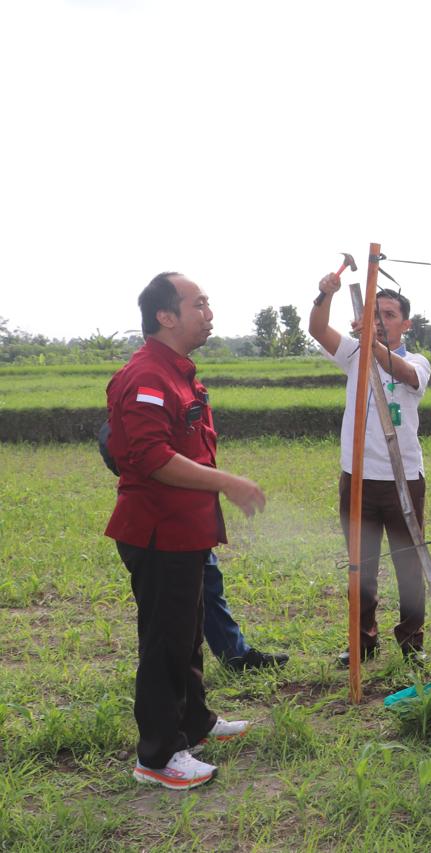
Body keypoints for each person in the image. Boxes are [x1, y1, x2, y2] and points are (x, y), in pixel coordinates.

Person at [105, 272, 264, 791]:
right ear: (165, 317)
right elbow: (151, 458)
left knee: (187, 631)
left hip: (187, 529)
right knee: (163, 642)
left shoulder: (179, 372)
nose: (209, 312)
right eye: (198, 304)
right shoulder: (147, 376)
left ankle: (193, 722)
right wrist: (228, 483)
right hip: (158, 530)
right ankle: (157, 756)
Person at [309, 273, 431, 665]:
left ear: (406, 324)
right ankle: (363, 640)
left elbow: (408, 378)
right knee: (361, 566)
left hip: (403, 479)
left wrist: (373, 343)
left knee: (409, 565)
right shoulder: (353, 354)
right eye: (374, 313)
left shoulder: (416, 361)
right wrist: (325, 293)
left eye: (389, 314)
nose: (380, 320)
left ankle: (412, 643)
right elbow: (316, 329)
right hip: (357, 478)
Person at [98, 423, 287, 673]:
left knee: (207, 585)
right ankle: (165, 689)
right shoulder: (147, 389)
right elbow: (148, 454)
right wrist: (227, 482)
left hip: (189, 520)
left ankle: (234, 654)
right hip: (160, 524)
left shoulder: (184, 387)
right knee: (168, 621)